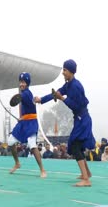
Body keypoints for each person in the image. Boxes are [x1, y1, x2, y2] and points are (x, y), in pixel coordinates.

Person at [34, 59, 95, 187]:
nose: (63, 72)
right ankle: (87, 174)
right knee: (75, 146)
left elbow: (77, 106)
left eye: (65, 70)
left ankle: (86, 180)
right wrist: (41, 100)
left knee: (75, 147)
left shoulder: (76, 86)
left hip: (83, 119)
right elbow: (56, 93)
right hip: (79, 119)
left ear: (71, 71)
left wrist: (62, 99)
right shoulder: (68, 85)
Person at [8, 72, 47, 178]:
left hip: (31, 123)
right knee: (10, 142)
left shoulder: (27, 93)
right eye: (20, 82)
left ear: (27, 83)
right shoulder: (24, 93)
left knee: (32, 145)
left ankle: (42, 170)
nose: (21, 84)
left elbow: (22, 97)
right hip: (23, 123)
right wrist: (22, 117)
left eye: (24, 82)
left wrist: (18, 97)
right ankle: (17, 163)